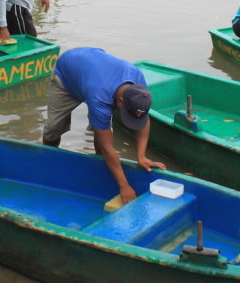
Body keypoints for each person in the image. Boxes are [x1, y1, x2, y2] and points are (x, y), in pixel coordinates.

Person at [43, 47, 166, 204]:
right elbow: (108, 147)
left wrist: (141, 157)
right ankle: (48, 159)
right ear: (120, 101)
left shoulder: (139, 87)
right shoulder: (99, 97)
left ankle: (99, 166)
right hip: (66, 75)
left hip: (93, 71)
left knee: (101, 132)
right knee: (53, 128)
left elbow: (144, 120)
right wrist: (124, 186)